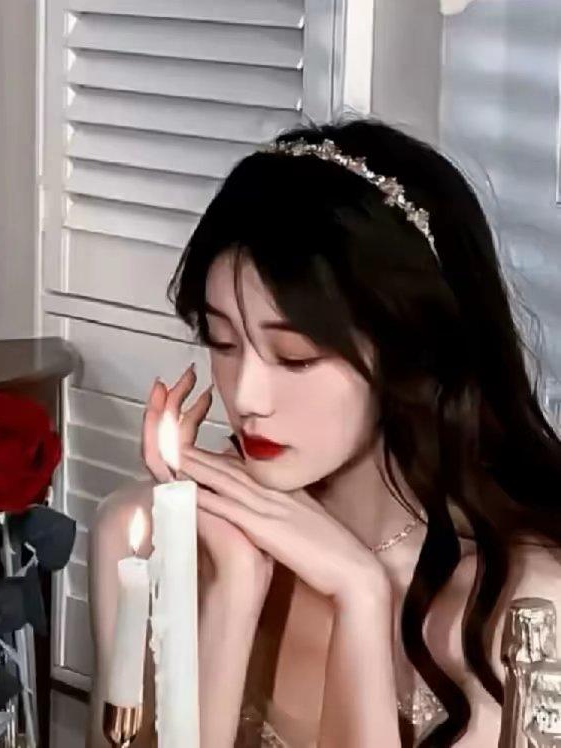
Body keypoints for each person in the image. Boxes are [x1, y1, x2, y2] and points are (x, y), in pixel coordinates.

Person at [86, 117, 561, 747]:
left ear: (410, 351)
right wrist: (233, 592)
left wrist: (360, 596)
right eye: (222, 342)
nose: (246, 397)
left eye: (297, 357)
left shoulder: (524, 606)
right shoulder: (141, 537)